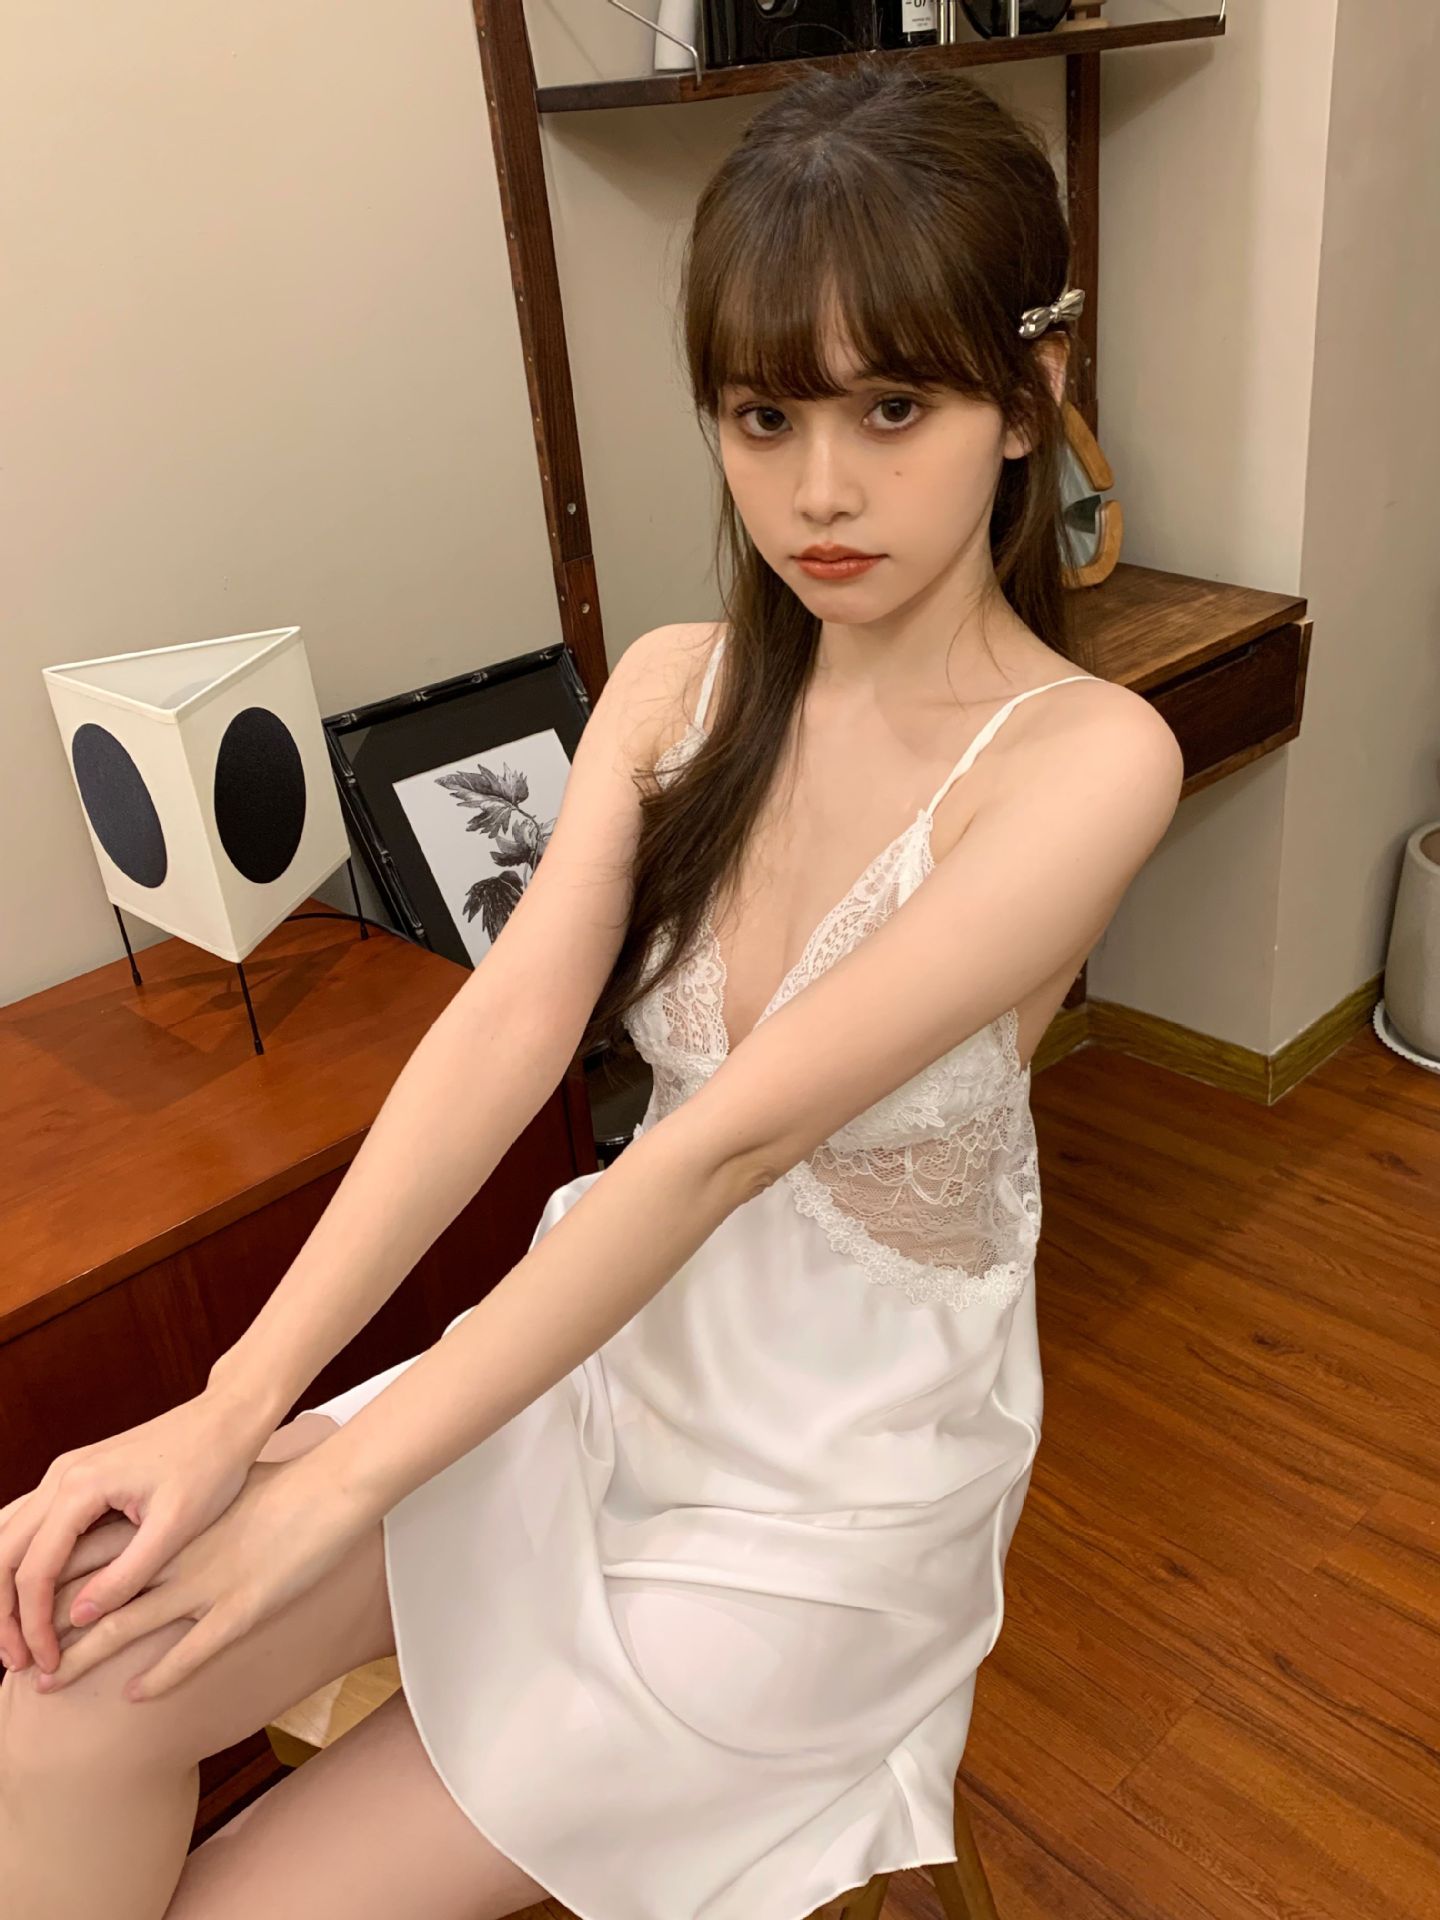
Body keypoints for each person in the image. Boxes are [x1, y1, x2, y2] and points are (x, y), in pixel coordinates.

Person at [0, 56, 1183, 1920]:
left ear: (1029, 397)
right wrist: (234, 1408)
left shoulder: (1089, 760)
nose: (821, 490)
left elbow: (718, 1150)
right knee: (56, 1709)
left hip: (824, 1510)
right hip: (599, 1367)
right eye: (764, 416)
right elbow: (506, 1026)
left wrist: (331, 1483)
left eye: (894, 406)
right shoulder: (673, 689)